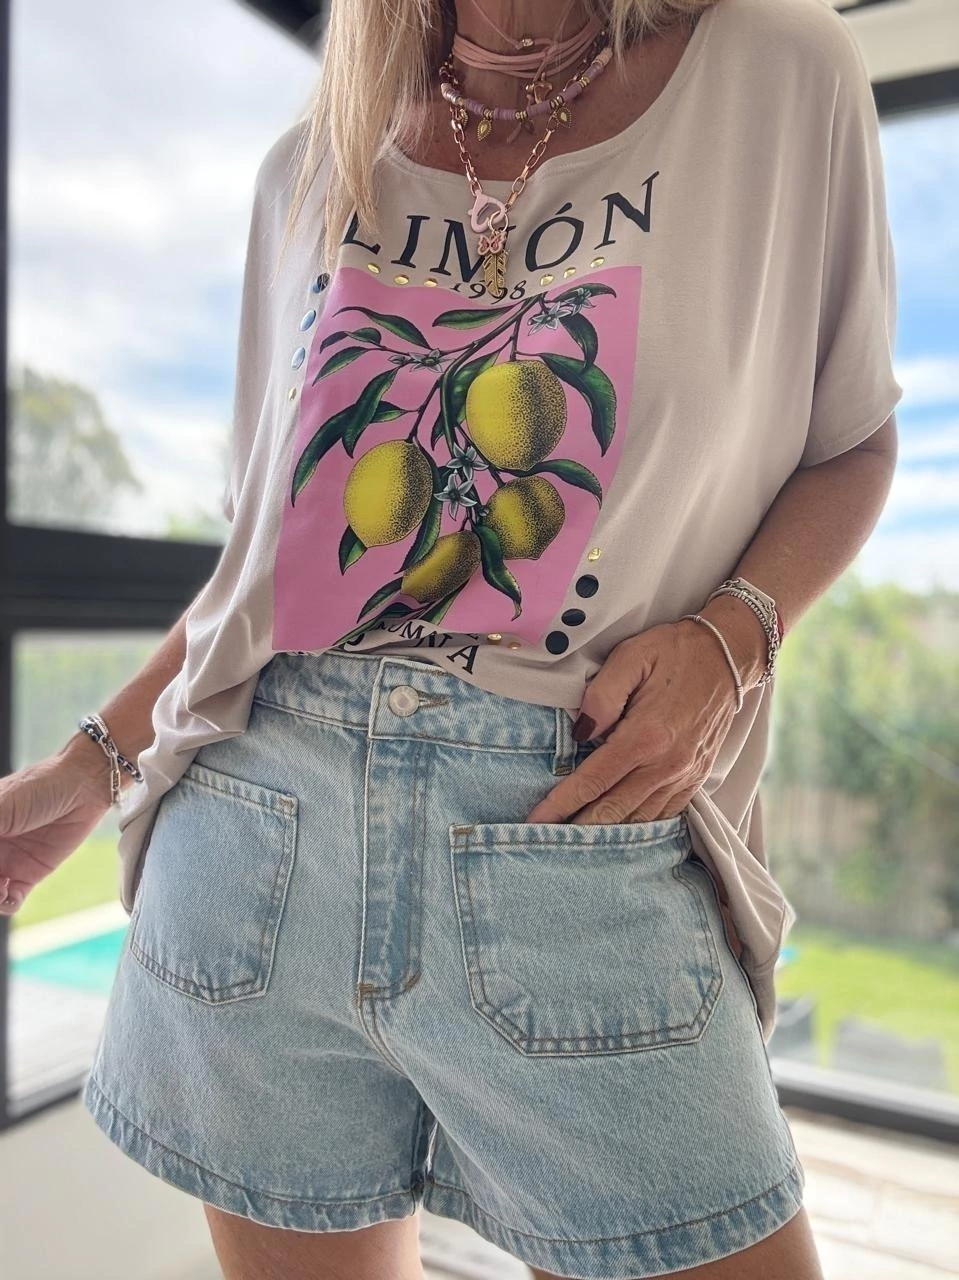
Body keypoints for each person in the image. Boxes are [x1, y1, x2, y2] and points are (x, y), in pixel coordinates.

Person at [0, 0, 902, 1274]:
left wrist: (731, 636)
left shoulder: (775, 68)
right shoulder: (308, 164)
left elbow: (851, 440)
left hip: (578, 827)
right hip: (259, 836)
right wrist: (87, 766)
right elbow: (257, 576)